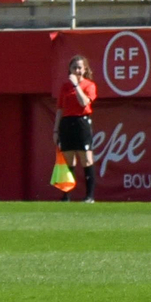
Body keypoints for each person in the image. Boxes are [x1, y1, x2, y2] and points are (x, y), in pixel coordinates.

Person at [55, 55, 98, 203]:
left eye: (80, 67)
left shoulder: (89, 85)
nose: (77, 70)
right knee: (68, 159)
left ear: (85, 69)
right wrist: (56, 130)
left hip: (81, 122)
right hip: (67, 122)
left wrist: (76, 86)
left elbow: (84, 103)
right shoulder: (64, 86)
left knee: (86, 158)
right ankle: (66, 195)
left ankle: (89, 196)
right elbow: (60, 108)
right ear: (70, 69)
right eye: (74, 67)